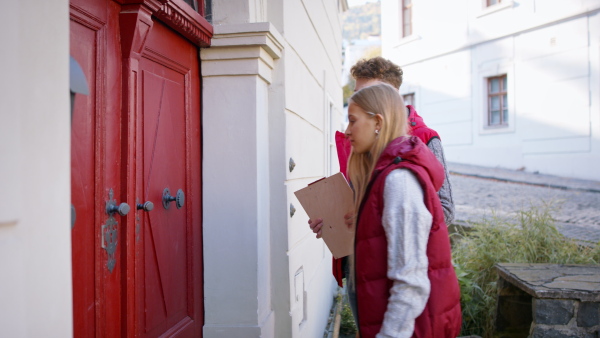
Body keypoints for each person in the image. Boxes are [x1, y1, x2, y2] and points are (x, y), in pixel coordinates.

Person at [336, 83, 461, 337]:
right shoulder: (381, 174)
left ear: (378, 122)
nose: (347, 131)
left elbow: (410, 283)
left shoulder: (399, 181)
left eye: (352, 121)